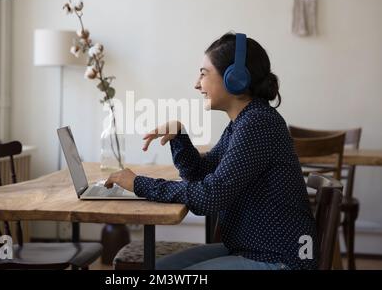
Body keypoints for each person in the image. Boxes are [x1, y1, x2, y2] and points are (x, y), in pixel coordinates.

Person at [105, 32, 318, 270]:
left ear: (234, 79)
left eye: (203, 74)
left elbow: (210, 196)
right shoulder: (242, 122)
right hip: (253, 249)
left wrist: (138, 184)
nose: (197, 84)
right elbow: (199, 174)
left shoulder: (258, 123)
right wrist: (180, 137)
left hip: (282, 259)